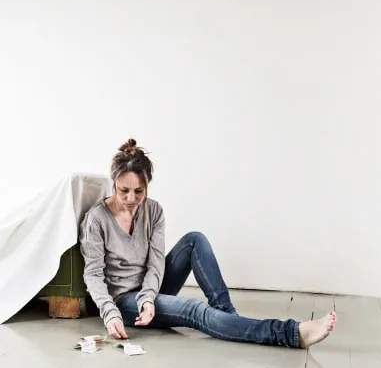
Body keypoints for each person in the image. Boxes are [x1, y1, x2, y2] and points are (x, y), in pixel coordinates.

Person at [78, 138, 336, 348]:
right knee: (193, 309)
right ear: (114, 183)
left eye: (139, 191)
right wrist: (110, 313)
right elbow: (93, 274)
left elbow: (156, 263)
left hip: (150, 288)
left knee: (195, 240)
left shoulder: (153, 211)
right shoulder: (97, 220)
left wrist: (148, 299)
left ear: (148, 186)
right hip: (124, 302)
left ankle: (229, 318)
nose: (132, 198)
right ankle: (290, 333)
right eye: (124, 191)